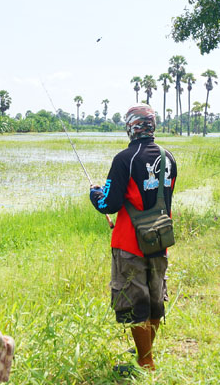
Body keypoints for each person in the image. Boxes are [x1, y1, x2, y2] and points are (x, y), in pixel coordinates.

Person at [88, 103, 177, 372]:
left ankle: (145, 361)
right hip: (160, 238)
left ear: (130, 127)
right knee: (154, 297)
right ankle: (145, 348)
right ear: (152, 126)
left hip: (130, 243)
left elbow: (109, 204)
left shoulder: (124, 159)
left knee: (136, 301)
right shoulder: (168, 156)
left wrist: (94, 193)